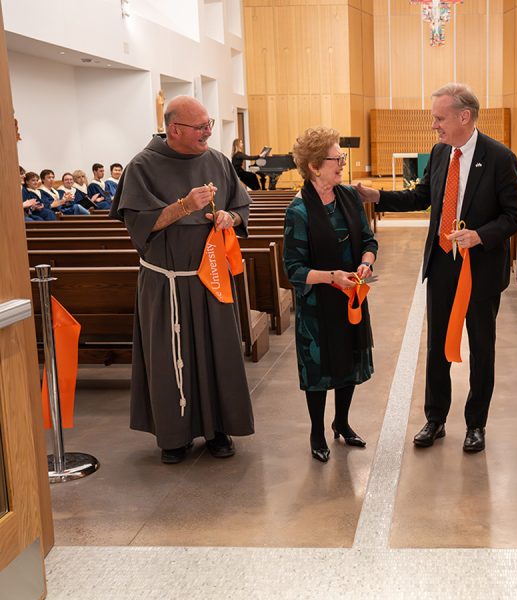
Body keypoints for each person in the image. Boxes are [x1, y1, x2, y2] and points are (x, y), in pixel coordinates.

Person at [357, 83, 517, 453]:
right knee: (436, 345)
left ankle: (476, 424)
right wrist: (378, 196)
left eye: (439, 118)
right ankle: (435, 418)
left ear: (464, 117)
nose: (434, 125)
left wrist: (480, 236)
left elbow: (516, 214)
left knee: (482, 346)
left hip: (480, 268)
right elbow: (421, 196)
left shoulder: (498, 157)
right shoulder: (438, 153)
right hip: (443, 264)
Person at [110, 95, 254, 464]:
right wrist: (184, 206)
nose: (209, 131)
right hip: (166, 282)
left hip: (210, 276)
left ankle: (219, 430)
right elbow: (140, 225)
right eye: (201, 126)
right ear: (174, 129)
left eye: (209, 124)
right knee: (168, 357)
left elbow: (240, 207)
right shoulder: (142, 166)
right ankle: (173, 436)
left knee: (218, 352)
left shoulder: (218, 160)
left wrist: (229, 219)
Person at [283, 127, 377, 463]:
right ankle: (317, 431)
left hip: (351, 297)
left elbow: (368, 241)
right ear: (313, 166)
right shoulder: (299, 211)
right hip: (317, 304)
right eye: (335, 159)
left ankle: (342, 421)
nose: (341, 163)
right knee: (319, 368)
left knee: (349, 361)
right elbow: (293, 269)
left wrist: (365, 264)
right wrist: (331, 277)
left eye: (341, 157)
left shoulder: (349, 197)